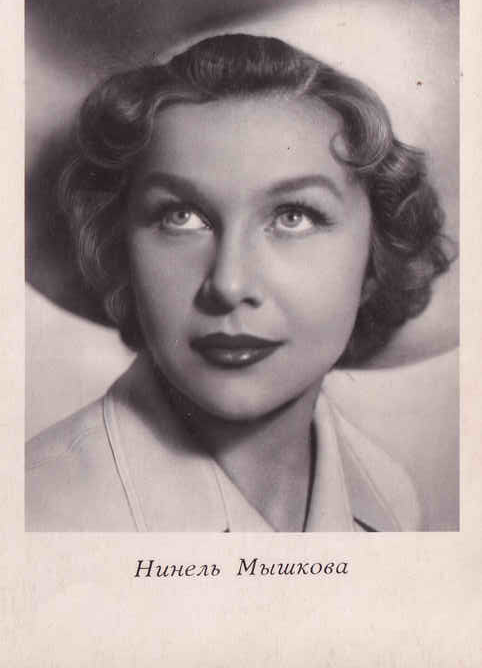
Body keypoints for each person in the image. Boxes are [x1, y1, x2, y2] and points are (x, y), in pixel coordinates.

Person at [25, 34, 452, 532]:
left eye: (293, 216)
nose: (228, 284)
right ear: (121, 249)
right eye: (181, 216)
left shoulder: (390, 495)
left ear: (377, 256)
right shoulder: (37, 514)